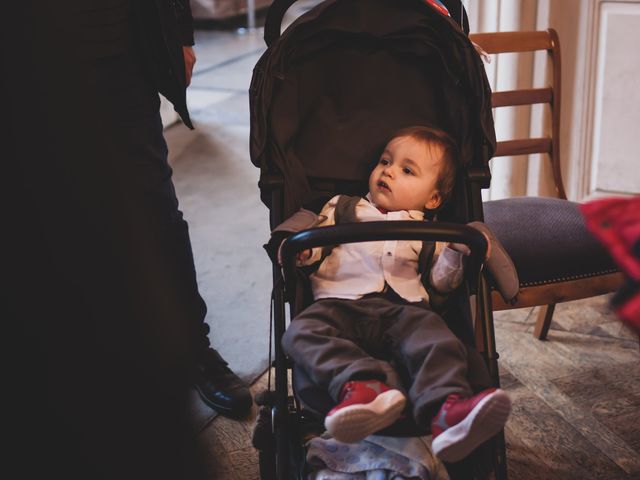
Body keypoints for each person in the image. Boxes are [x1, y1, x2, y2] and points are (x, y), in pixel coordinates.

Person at [3, 1, 249, 478]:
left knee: (153, 203)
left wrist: (181, 33)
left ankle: (194, 350)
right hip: (22, 57)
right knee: (47, 221)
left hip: (118, 46)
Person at [280, 126, 512, 462]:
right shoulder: (343, 208)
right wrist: (304, 253)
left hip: (405, 312)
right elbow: (316, 244)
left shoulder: (432, 231)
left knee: (439, 340)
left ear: (433, 199)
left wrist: (456, 252)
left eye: (407, 170)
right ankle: (362, 388)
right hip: (337, 306)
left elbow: (441, 284)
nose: (388, 170)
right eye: (384, 161)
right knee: (299, 333)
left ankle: (448, 411)